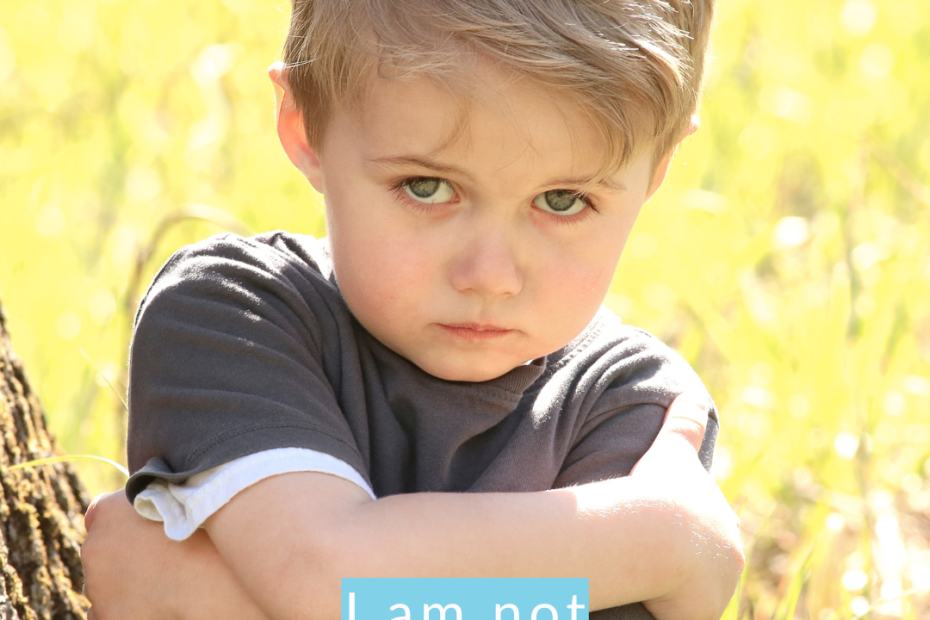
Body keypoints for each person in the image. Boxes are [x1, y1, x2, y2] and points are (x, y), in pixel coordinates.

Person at [81, 0, 744, 618]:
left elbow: (325, 591)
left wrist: (204, 595)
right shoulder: (233, 317)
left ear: (658, 166)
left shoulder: (635, 408)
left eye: (564, 200)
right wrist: (661, 541)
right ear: (307, 126)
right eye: (427, 188)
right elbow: (327, 570)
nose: (490, 276)